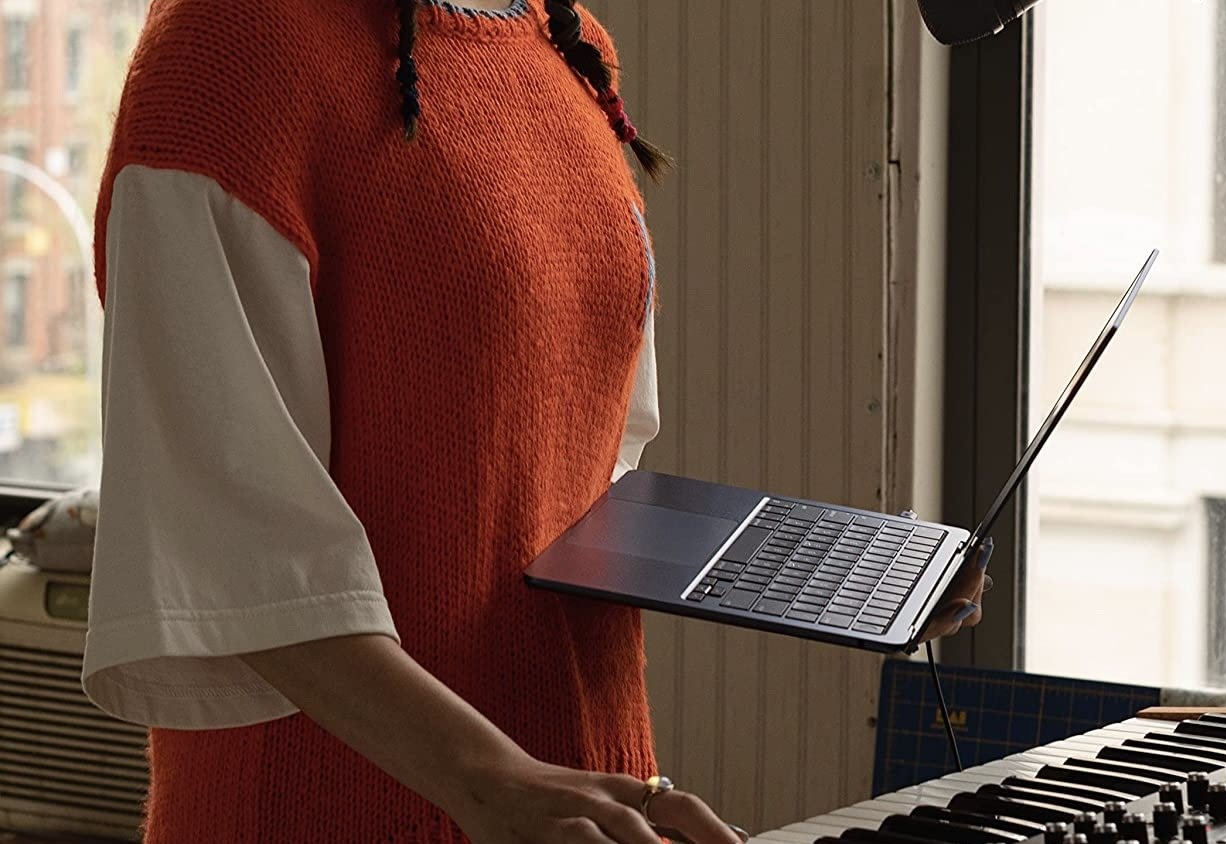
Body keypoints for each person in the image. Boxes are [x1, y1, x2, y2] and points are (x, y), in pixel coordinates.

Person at [79, 0, 989, 841]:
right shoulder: (229, 48)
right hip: (350, 805)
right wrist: (495, 781)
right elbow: (222, 547)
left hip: (580, 790)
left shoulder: (564, 41)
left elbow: (584, 468)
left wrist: (831, 568)